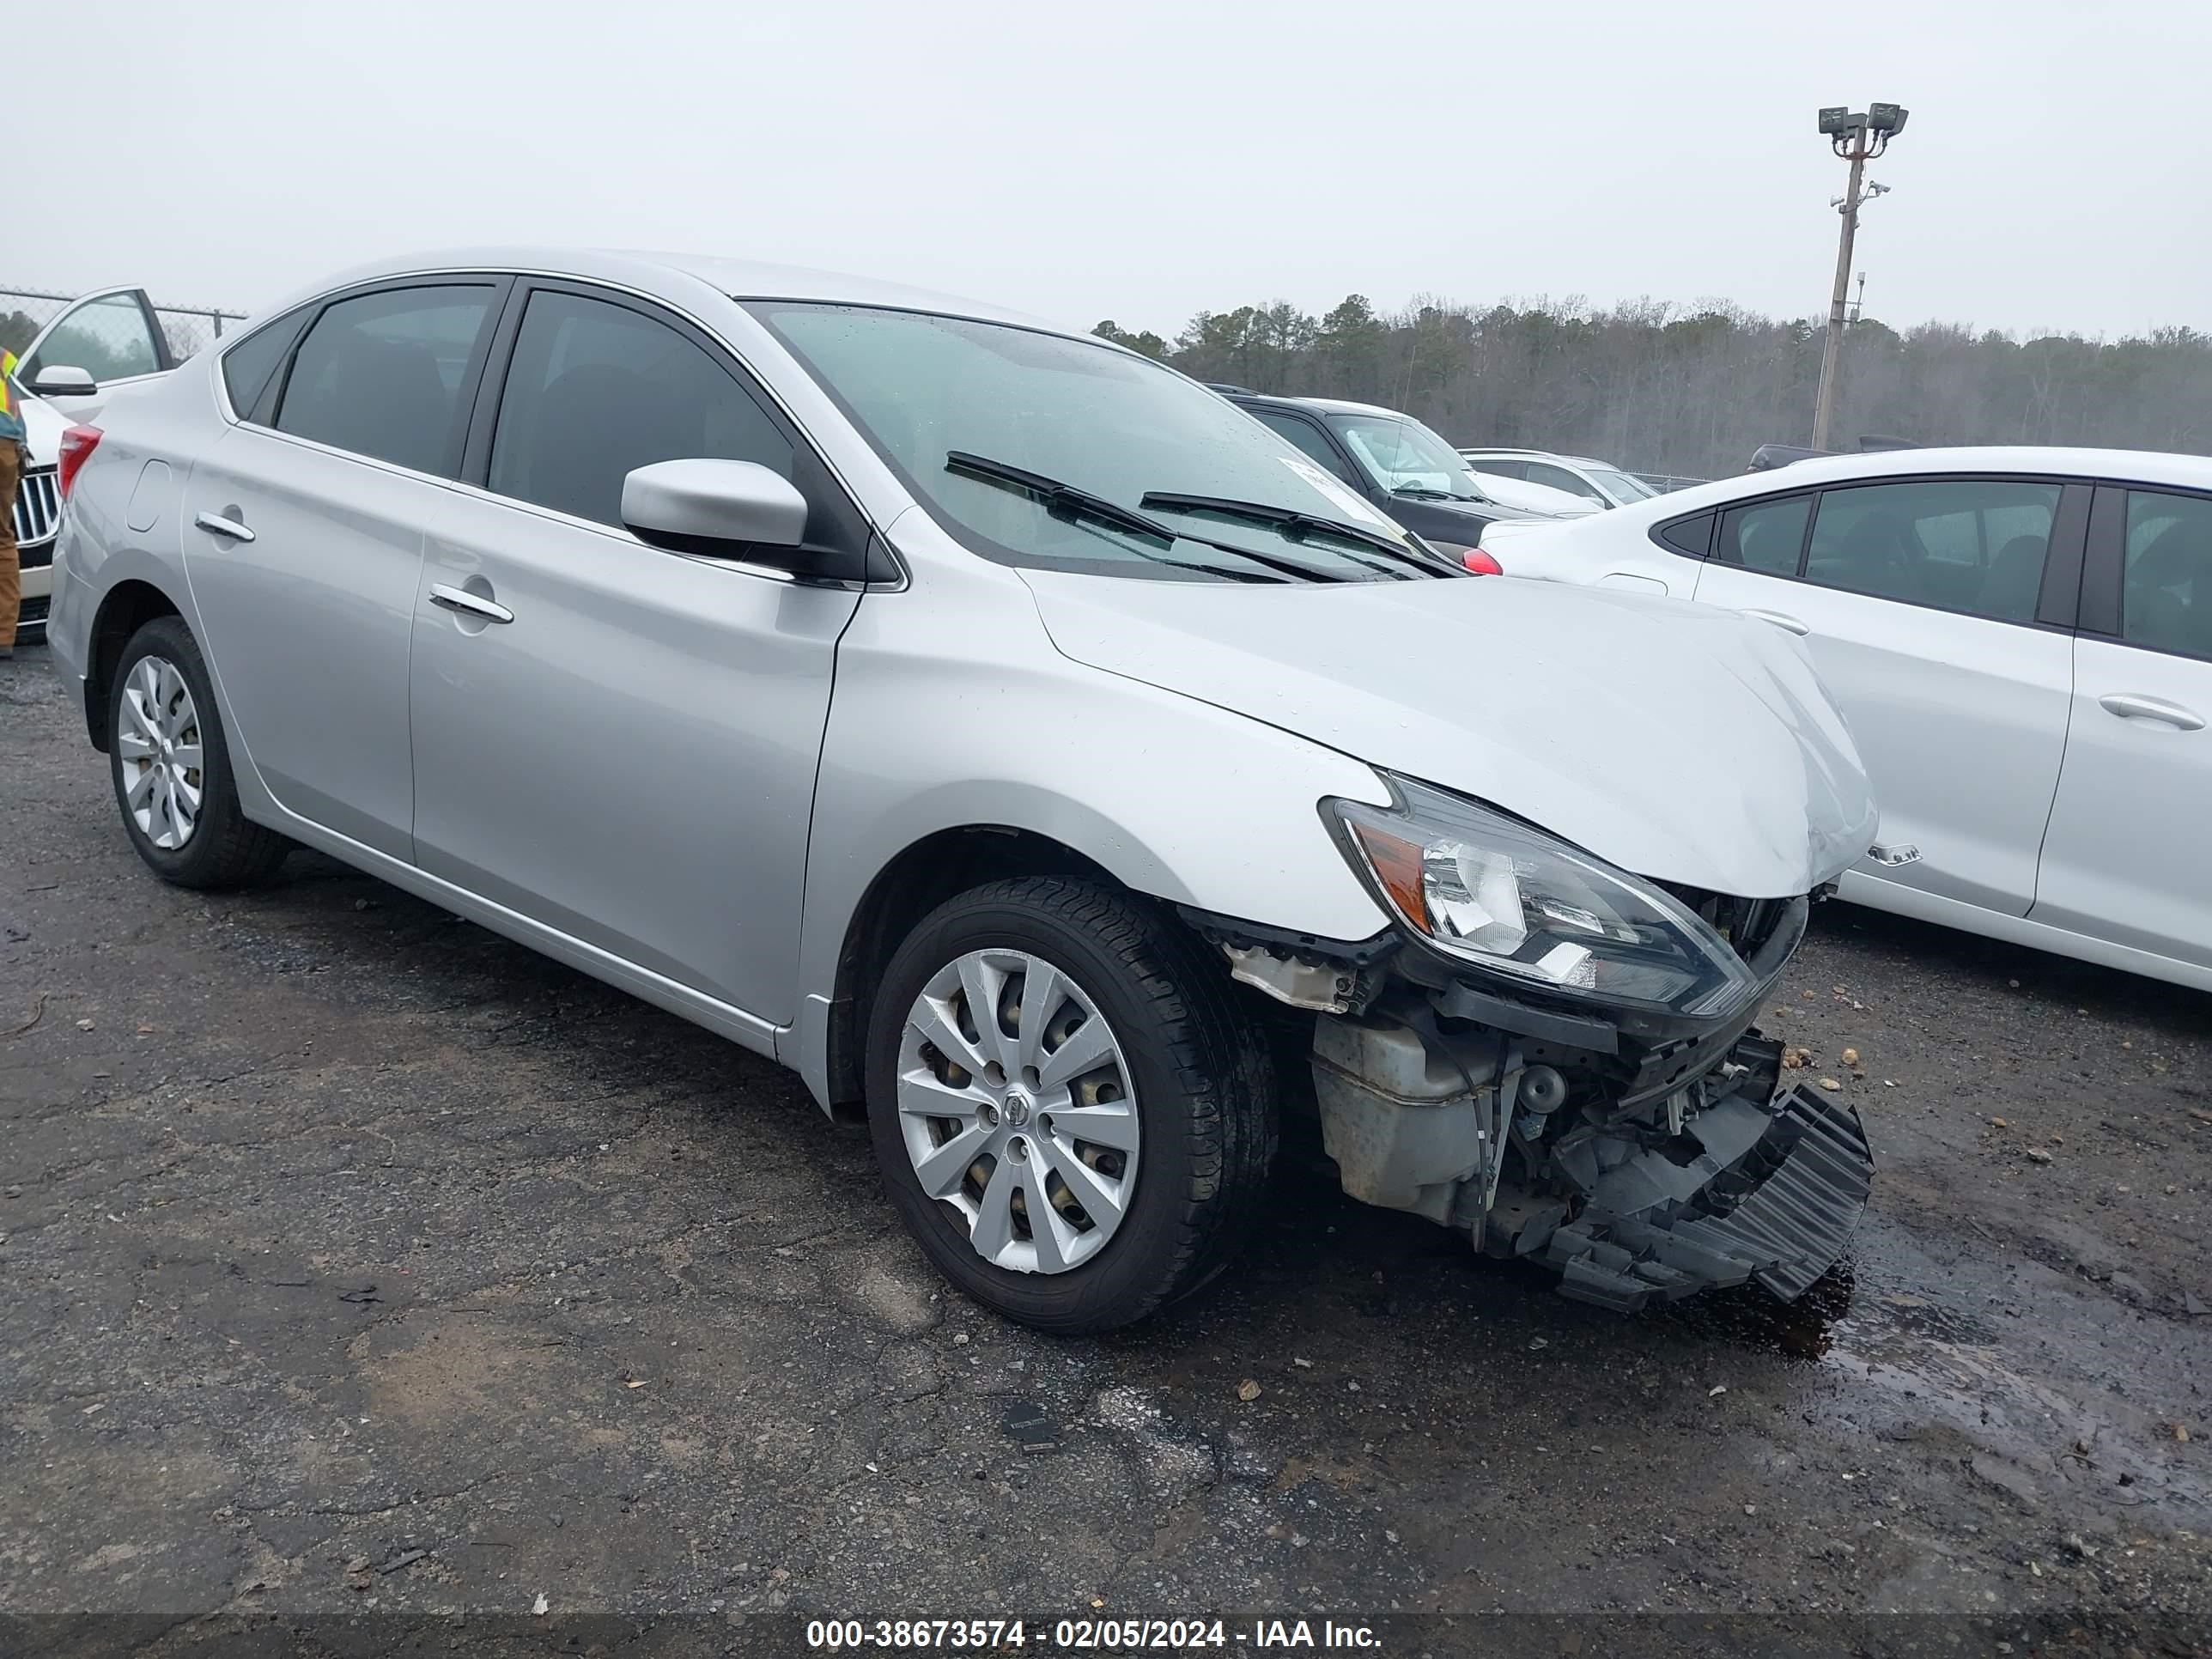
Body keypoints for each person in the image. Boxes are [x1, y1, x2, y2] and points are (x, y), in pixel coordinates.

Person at [0, 346, 23, 659]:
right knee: (2, 540)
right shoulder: (2, 356)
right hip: (6, 445)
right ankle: (3, 635)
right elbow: (17, 408)